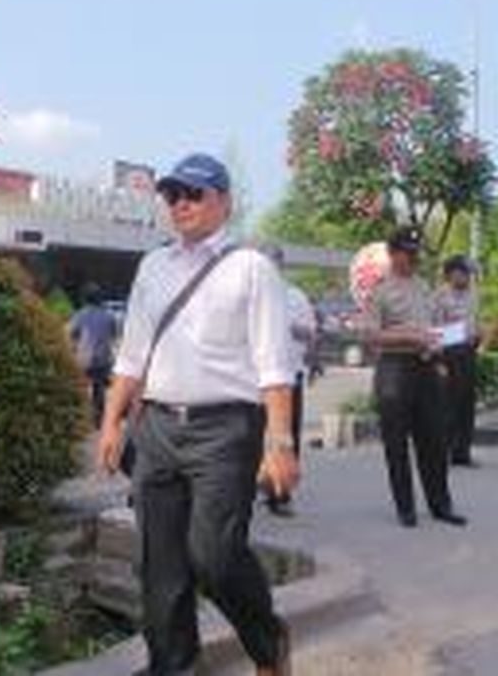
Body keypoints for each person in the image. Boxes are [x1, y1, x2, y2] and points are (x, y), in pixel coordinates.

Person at [96, 153, 297, 676]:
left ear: (224, 202)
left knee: (215, 556)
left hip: (226, 431)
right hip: (157, 428)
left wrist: (280, 443)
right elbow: (132, 356)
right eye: (172, 195)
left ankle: (268, 641)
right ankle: (174, 665)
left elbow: (275, 365)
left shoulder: (250, 268)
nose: (180, 204)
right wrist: (112, 421)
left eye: (194, 193)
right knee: (159, 568)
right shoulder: (153, 266)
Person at [365, 226, 466, 529]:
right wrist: (407, 335)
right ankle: (405, 508)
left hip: (426, 367)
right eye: (408, 253)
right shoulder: (380, 290)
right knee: (396, 443)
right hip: (395, 369)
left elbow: (433, 325)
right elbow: (371, 336)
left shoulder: (424, 287)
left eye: (416, 253)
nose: (413, 258)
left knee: (434, 440)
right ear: (393, 254)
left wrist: (446, 339)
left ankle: (441, 505)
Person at [260, 244, 316, 517]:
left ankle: (281, 494)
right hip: (252, 380)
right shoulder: (250, 295)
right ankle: (255, 486)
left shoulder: (295, 297)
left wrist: (293, 327)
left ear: (281, 266)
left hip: (288, 377)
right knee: (249, 437)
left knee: (285, 436)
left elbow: (311, 334)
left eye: (272, 263)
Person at [433, 255, 481, 466]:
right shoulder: (439, 296)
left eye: (470, 274)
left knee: (466, 404)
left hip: (468, 352)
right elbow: (434, 329)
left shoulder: (473, 294)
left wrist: (478, 335)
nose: (468, 278)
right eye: (464, 273)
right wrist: (438, 360)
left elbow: (472, 321)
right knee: (447, 404)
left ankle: (463, 452)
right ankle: (444, 450)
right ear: (451, 274)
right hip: (447, 354)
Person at [68, 283, 119, 426]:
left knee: (81, 388)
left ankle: (81, 418)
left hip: (84, 358)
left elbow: (69, 333)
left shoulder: (81, 314)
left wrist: (75, 345)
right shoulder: (108, 316)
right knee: (99, 389)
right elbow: (114, 335)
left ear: (85, 298)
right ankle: (99, 419)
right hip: (103, 359)